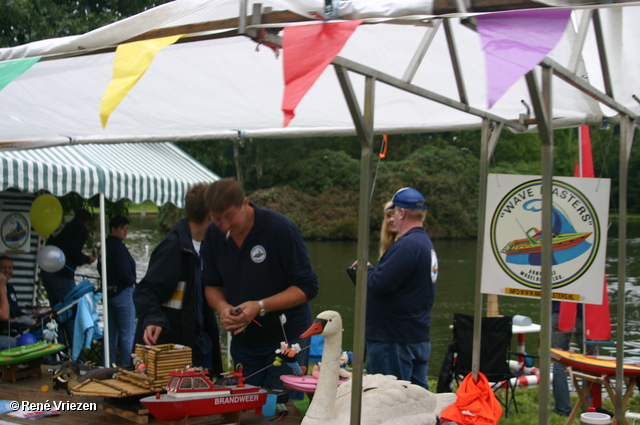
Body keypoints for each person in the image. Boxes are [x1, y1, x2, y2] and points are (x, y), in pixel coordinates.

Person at [201, 178, 318, 398]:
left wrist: (260, 306)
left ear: (245, 203)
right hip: (244, 342)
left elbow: (308, 287)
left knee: (282, 409)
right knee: (246, 408)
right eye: (217, 220)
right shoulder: (213, 235)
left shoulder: (279, 229)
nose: (225, 226)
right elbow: (211, 284)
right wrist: (222, 307)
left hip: (287, 338)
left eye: (229, 217)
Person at [133, 183, 223, 378]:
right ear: (211, 215)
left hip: (199, 347)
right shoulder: (174, 249)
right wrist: (153, 318)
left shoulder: (205, 248)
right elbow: (145, 291)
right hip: (175, 352)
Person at [352, 187, 437, 390]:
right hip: (415, 336)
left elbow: (381, 284)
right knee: (416, 402)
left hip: (394, 341)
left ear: (401, 213)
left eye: (394, 213)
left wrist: (365, 271)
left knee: (387, 399)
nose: (393, 219)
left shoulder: (407, 246)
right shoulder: (425, 243)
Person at [41, 208, 97, 348]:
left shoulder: (63, 226)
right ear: (87, 222)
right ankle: (75, 351)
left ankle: (57, 348)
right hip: (62, 275)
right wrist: (87, 259)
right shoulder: (80, 229)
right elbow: (73, 252)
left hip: (47, 272)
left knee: (56, 313)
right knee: (71, 311)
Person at [98, 215, 136, 367]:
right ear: (113, 229)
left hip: (108, 293)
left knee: (109, 334)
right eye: (122, 228)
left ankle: (108, 365)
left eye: (127, 228)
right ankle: (129, 367)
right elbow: (123, 271)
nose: (125, 231)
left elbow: (100, 268)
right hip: (123, 293)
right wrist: (131, 283)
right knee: (127, 334)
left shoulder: (103, 246)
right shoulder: (119, 247)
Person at [552, 302, 596, 416]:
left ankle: (563, 409)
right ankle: (587, 408)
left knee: (558, 360)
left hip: (560, 311)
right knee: (591, 360)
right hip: (586, 314)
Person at [0, 256, 37, 350]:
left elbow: (16, 311)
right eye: (3, 268)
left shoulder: (10, 288)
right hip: (3, 331)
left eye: (10, 268)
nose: (7, 271)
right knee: (14, 343)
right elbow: (4, 316)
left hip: (9, 329)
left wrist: (32, 318)